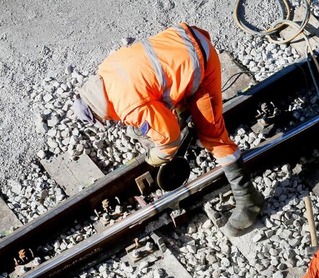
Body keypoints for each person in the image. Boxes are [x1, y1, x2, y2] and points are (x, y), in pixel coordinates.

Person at [72, 23, 264, 236]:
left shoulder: (127, 106)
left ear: (99, 112)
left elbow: (169, 138)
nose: (108, 120)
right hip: (184, 37)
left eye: (103, 119)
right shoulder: (107, 69)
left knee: (213, 138)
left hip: (202, 62)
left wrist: (156, 157)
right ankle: (189, 112)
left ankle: (248, 199)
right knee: (167, 99)